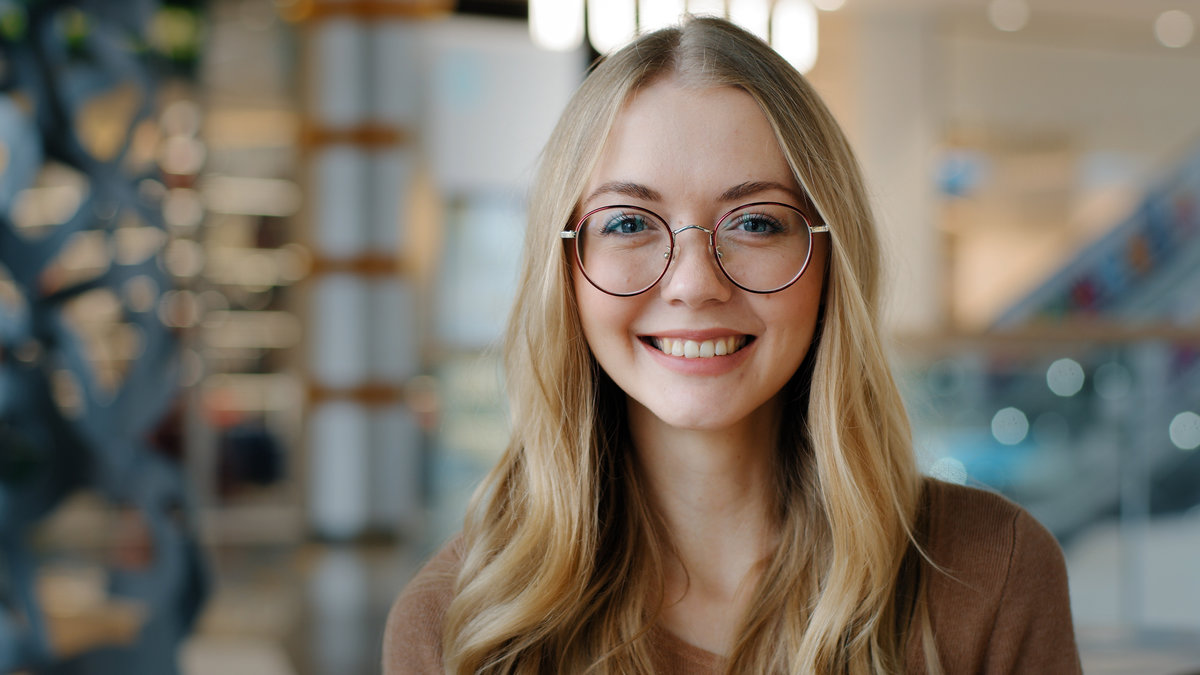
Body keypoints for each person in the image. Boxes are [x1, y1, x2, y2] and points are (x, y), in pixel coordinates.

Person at [384, 15, 1081, 675]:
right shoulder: (456, 620)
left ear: (831, 260)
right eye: (629, 222)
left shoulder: (993, 574)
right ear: (563, 267)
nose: (693, 283)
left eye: (754, 222)